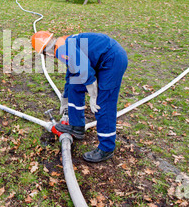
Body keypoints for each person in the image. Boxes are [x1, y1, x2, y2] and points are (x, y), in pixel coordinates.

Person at [31, 31, 128, 163]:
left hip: (111, 60)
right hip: (103, 56)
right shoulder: (62, 43)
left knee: (103, 104)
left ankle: (106, 148)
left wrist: (93, 96)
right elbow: (72, 75)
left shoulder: (61, 49)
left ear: (46, 53)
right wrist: (64, 101)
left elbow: (84, 71)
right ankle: (77, 126)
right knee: (74, 86)